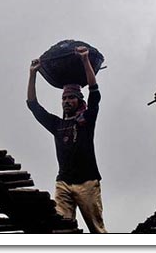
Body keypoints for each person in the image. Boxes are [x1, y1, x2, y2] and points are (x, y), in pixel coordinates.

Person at [26, 46, 107, 233]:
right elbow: (33, 106)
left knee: (97, 229)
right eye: (64, 98)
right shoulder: (57, 125)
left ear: (79, 100)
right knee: (61, 229)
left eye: (71, 98)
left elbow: (94, 92)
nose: (67, 101)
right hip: (63, 182)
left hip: (87, 183)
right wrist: (33, 74)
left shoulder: (86, 120)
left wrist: (85, 60)